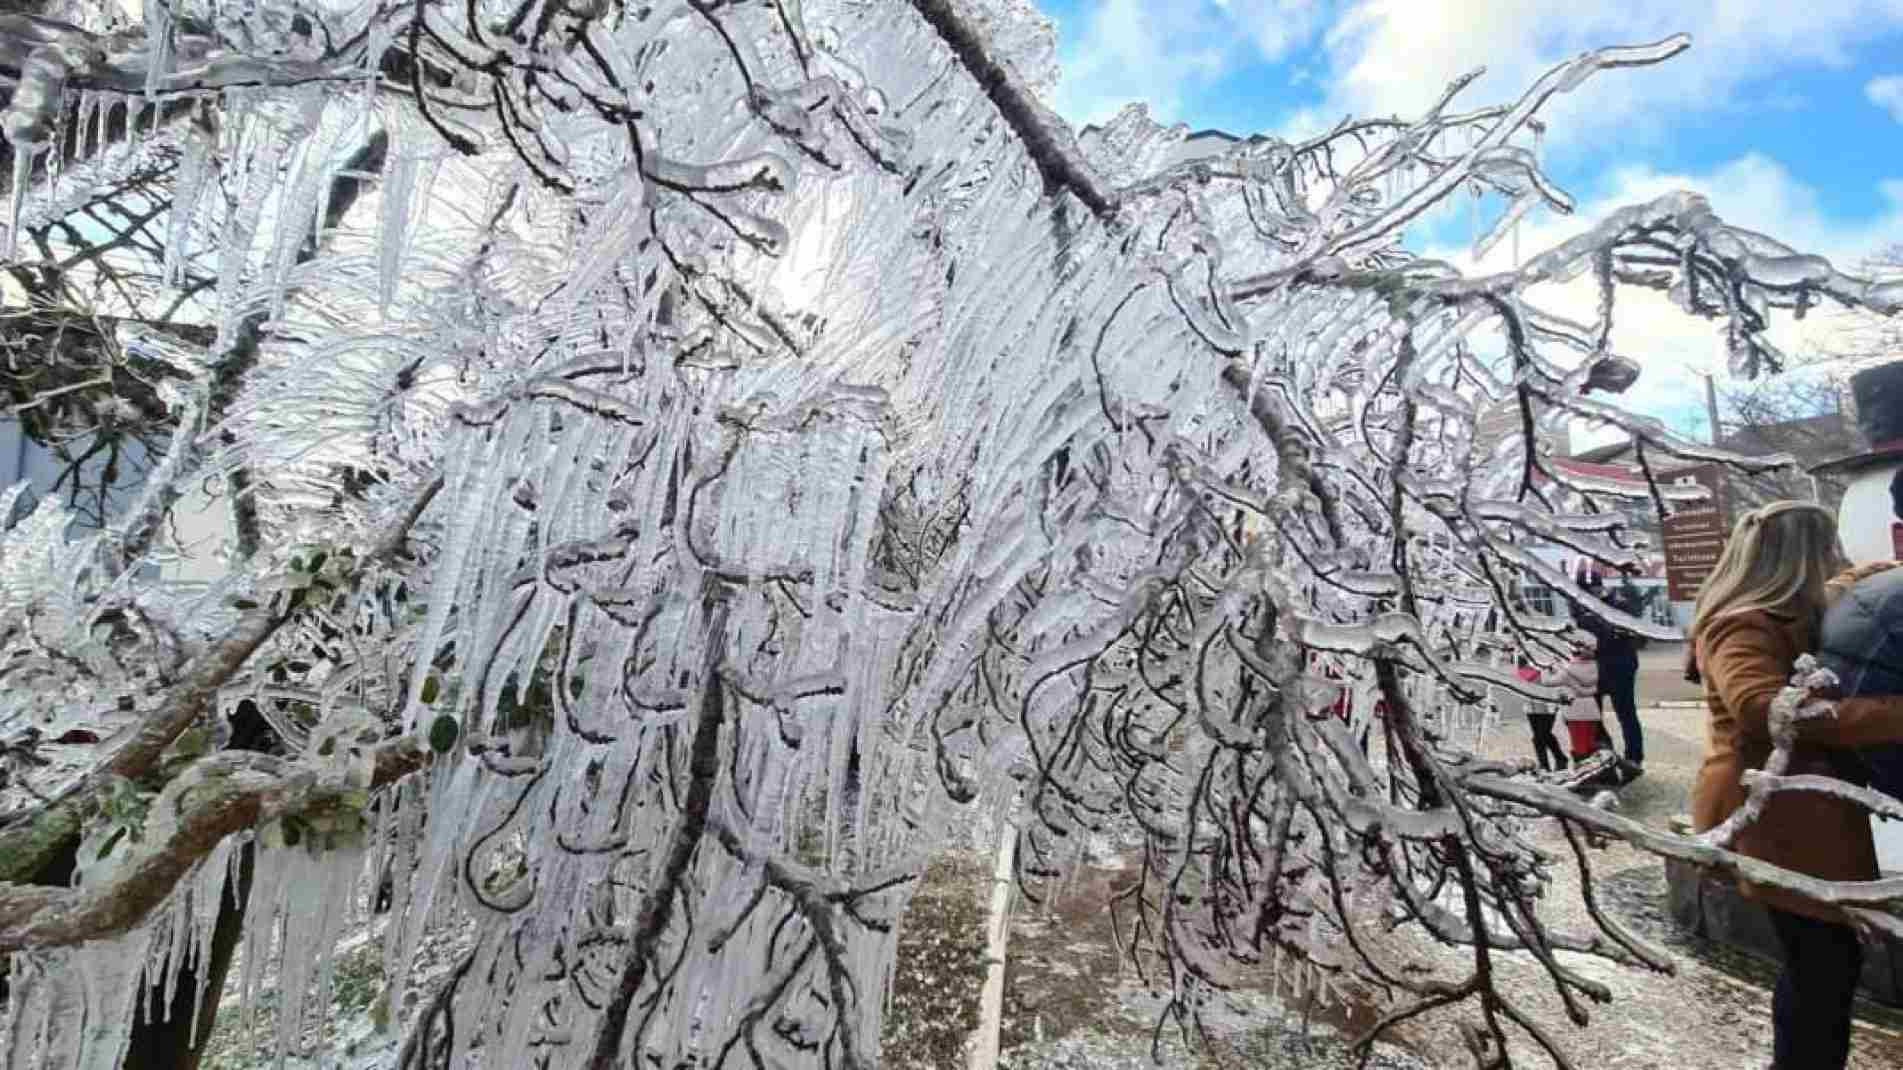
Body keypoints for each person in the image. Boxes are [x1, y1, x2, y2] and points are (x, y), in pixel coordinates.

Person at [1688, 501, 1903, 1070]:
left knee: (1825, 963)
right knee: (1821, 964)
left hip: (1801, 810)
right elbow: (1762, 709)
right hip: (1770, 814)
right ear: (1800, 556)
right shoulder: (1742, 622)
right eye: (1829, 547)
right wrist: (1895, 713)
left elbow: (1847, 581)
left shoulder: (1790, 609)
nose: (1840, 556)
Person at [1575, 570, 1645, 768]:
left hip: (1620, 667)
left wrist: (1595, 646)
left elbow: (1624, 636)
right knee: (1591, 713)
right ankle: (1605, 752)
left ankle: (1634, 757)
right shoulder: (1581, 607)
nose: (1584, 596)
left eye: (1588, 591)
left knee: (1625, 713)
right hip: (1595, 669)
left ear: (1598, 588)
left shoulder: (1618, 605)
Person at [1541, 635, 1605, 767]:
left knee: (1579, 746)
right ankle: (1596, 770)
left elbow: (1547, 682)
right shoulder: (1596, 667)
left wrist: (1545, 668)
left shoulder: (1567, 671)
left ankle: (1583, 773)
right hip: (1592, 709)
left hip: (1575, 710)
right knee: (1590, 744)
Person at [1516, 656, 1566, 772]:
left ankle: (1545, 767)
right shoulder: (1521, 659)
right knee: (1544, 735)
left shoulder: (1546, 660)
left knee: (1539, 738)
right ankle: (1560, 759)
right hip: (1531, 706)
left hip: (1548, 706)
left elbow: (1557, 678)